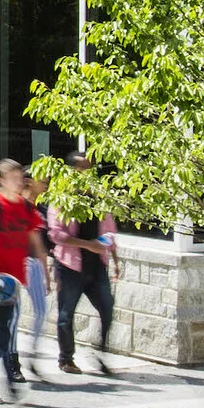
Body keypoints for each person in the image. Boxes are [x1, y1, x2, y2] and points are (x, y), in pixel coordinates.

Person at [0, 159, 51, 403]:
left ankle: (1, 383)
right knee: (3, 330)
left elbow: (36, 242)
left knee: (4, 332)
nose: (19, 181)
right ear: (1, 180)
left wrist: (45, 273)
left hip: (17, 280)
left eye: (21, 177)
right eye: (14, 177)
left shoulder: (26, 209)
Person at [51, 155, 120, 374]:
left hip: (97, 266)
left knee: (107, 308)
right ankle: (66, 359)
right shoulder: (62, 199)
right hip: (70, 265)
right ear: (71, 172)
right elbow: (56, 234)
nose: (87, 175)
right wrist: (88, 245)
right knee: (65, 314)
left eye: (90, 170)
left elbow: (109, 230)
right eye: (82, 170)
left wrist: (115, 259)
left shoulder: (98, 198)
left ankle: (100, 352)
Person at [20, 170, 52, 376]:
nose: (47, 184)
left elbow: (40, 245)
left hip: (34, 264)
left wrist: (46, 274)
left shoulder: (41, 208)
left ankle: (31, 354)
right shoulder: (18, 206)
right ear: (29, 182)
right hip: (18, 262)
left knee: (41, 311)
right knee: (10, 315)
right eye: (43, 180)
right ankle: (13, 358)